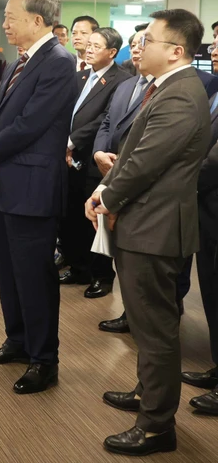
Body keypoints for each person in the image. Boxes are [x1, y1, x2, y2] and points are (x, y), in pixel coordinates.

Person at [87, 9, 211, 456]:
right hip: (144, 220)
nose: (138, 48)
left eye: (149, 40)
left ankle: (157, 426)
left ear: (175, 51)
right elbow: (134, 153)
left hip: (155, 226)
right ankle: (148, 393)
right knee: (145, 322)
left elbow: (145, 163)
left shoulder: (180, 95)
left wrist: (106, 197)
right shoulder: (167, 87)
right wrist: (105, 189)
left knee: (155, 328)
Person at [0, 0, 77, 395]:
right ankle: (17, 341)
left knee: (34, 276)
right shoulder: (21, 59)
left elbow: (30, 124)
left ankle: (43, 359)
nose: (5, 24)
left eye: (11, 16)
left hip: (32, 186)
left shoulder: (59, 61)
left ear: (37, 20)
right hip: (4, 180)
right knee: (10, 273)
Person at [58, 28, 131, 296]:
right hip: (69, 158)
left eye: (96, 46)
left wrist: (71, 142)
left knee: (94, 220)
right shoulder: (80, 75)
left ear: (112, 52)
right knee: (71, 218)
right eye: (88, 45)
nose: (89, 49)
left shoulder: (121, 80)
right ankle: (78, 268)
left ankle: (102, 275)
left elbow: (105, 120)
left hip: (93, 157)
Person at [91, 29, 154, 334]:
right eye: (133, 44)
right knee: (124, 254)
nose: (137, 49)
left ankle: (141, 317)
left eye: (144, 43)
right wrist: (99, 153)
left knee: (144, 262)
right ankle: (131, 312)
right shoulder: (126, 84)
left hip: (138, 178)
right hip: (110, 170)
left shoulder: (161, 89)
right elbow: (106, 123)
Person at [181, 88, 218, 416]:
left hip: (209, 196)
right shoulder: (213, 94)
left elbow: (214, 160)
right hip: (207, 212)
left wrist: (182, 181)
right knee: (211, 293)